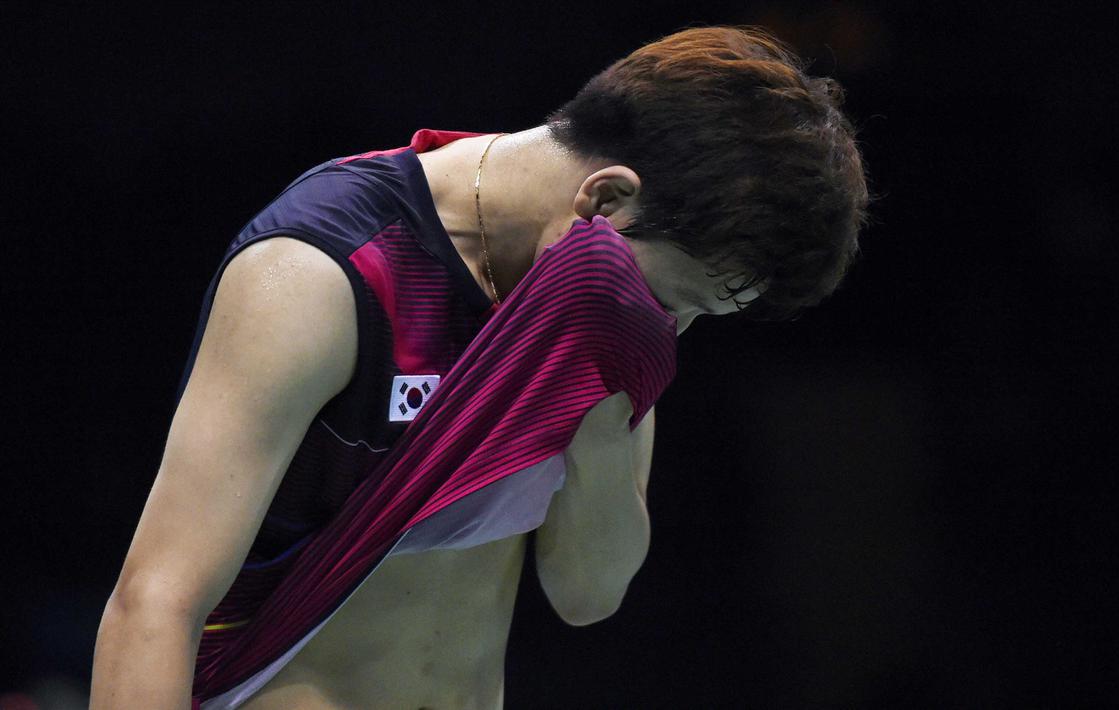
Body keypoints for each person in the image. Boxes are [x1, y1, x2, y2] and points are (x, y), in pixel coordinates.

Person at [90, 24, 869, 709]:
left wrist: (604, 421)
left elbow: (588, 594)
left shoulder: (610, 304)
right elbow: (156, 601)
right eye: (676, 301)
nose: (669, 330)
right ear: (604, 201)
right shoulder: (323, 273)